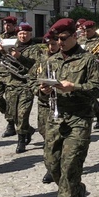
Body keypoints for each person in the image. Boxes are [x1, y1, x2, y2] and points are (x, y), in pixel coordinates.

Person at [39, 18, 99, 197]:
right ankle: (77, 191)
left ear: (74, 36)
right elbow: (37, 83)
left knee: (70, 165)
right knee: (52, 164)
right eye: (57, 39)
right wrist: (43, 89)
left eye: (64, 38)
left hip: (79, 118)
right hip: (56, 118)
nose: (60, 42)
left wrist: (74, 87)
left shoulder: (88, 60)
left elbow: (98, 88)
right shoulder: (52, 60)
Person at [0, 22, 44, 153]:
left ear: (30, 34)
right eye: (20, 33)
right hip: (11, 84)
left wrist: (20, 57)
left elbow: (36, 65)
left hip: (26, 84)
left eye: (25, 33)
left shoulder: (35, 48)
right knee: (13, 115)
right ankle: (29, 131)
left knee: (22, 114)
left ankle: (21, 140)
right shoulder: (11, 45)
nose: (23, 35)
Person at [36, 31, 61, 184]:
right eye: (49, 44)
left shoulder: (66, 59)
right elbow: (32, 79)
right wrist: (39, 89)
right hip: (45, 104)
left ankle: (53, 168)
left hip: (62, 102)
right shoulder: (42, 59)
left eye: (54, 44)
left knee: (56, 139)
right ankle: (52, 165)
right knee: (45, 134)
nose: (51, 47)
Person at [0, 16, 18, 137]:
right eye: (5, 24)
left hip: (13, 72)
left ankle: (11, 124)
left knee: (11, 100)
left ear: (14, 25)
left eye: (9, 25)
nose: (7, 26)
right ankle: (12, 119)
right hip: (0, 71)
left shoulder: (18, 37)